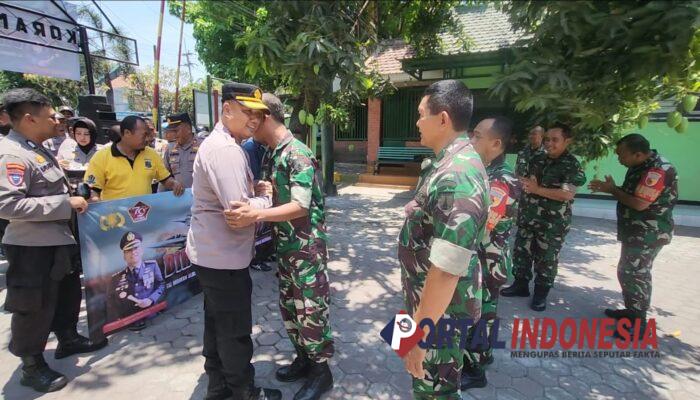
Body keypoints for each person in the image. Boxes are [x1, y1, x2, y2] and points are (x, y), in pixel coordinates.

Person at [225, 93, 334, 400]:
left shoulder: (296, 153)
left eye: (251, 116)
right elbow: (281, 194)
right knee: (291, 309)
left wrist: (255, 213)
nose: (247, 123)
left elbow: (300, 205)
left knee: (311, 310)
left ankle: (322, 371)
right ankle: (304, 359)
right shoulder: (273, 153)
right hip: (286, 248)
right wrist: (264, 190)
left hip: (306, 250)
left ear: (266, 117)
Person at [0, 88, 106, 393]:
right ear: (30, 119)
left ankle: (67, 338)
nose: (58, 120)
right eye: (50, 116)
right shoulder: (12, 155)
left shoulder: (38, 148)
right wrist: (64, 204)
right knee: (33, 305)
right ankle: (31, 366)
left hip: (57, 240)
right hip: (32, 247)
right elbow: (7, 205)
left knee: (66, 293)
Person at [186, 82, 281, 400]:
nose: (253, 121)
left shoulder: (222, 144)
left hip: (213, 254)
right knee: (235, 329)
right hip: (224, 257)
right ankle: (243, 390)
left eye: (258, 116)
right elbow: (237, 213)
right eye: (247, 113)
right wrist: (265, 201)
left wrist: (252, 192)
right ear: (227, 110)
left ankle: (218, 385)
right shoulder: (227, 150)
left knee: (216, 322)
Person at [394, 80, 489, 399]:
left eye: (421, 115)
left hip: (439, 315)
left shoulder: (456, 176)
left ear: (443, 119)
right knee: (421, 382)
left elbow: (447, 271)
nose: (417, 122)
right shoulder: (444, 163)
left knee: (435, 390)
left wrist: (418, 339)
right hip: (424, 302)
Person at [589, 134, 677, 338]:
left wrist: (612, 191)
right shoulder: (640, 165)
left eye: (621, 155)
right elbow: (635, 195)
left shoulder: (657, 170)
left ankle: (638, 326)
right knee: (629, 272)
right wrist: (610, 189)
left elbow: (639, 203)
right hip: (637, 230)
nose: (619, 159)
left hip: (649, 233)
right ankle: (631, 312)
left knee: (636, 275)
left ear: (638, 154)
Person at [461, 117, 521, 389]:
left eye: (476, 136)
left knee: (482, 314)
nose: (471, 141)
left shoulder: (501, 181)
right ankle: (479, 357)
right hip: (483, 258)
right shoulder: (487, 173)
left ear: (496, 143)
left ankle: (476, 370)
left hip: (488, 261)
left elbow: (482, 227)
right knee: (481, 312)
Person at [501, 124, 586, 311]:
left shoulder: (571, 165)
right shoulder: (537, 158)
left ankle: (541, 294)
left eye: (554, 140)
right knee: (522, 252)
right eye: (547, 139)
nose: (548, 143)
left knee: (546, 259)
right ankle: (520, 285)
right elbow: (526, 181)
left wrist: (537, 189)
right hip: (528, 216)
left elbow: (566, 194)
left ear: (567, 141)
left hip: (552, 223)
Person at [83, 115, 184, 201]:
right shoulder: (102, 157)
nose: (148, 139)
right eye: (144, 135)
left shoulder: (151, 154)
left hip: (144, 217)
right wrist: (93, 201)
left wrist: (174, 184)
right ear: (127, 133)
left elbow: (165, 179)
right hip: (116, 219)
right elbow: (93, 190)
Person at [110, 231, 165, 331]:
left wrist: (150, 300)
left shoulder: (152, 265)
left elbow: (161, 284)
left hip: (152, 314)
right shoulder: (116, 278)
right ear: (124, 256)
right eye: (129, 250)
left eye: (136, 248)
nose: (133, 252)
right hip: (130, 320)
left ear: (142, 250)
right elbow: (112, 302)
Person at [160, 112, 199, 191]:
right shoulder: (170, 149)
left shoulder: (203, 145)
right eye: (171, 131)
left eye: (176, 131)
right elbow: (165, 178)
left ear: (188, 129)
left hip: (201, 199)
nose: (174, 135)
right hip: (179, 200)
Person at [57, 118, 101, 186]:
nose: (82, 137)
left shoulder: (102, 153)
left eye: (86, 134)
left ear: (93, 134)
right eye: (78, 133)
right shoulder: (66, 150)